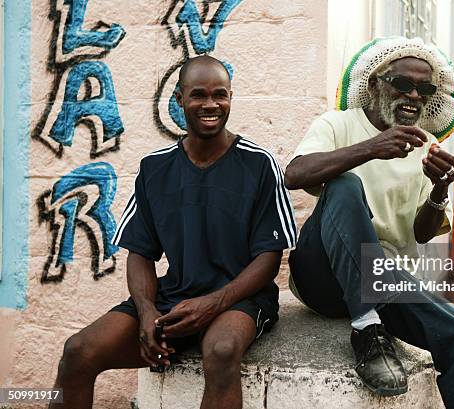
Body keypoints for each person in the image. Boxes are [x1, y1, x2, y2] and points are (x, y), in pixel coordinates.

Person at [50, 55, 297, 409]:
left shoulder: (258, 163)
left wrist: (214, 303)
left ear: (230, 97)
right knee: (78, 351)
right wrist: (147, 311)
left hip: (241, 298)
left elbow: (270, 258)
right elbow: (140, 252)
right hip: (175, 297)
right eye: (198, 95)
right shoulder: (155, 168)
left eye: (220, 95)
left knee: (222, 350)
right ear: (179, 99)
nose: (210, 104)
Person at [284, 37, 454, 409]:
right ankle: (367, 328)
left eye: (424, 88)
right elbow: (295, 173)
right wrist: (370, 148)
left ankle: (373, 312)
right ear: (374, 85)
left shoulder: (426, 143)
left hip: (385, 279)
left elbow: (421, 232)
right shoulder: (338, 124)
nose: (414, 95)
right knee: (345, 184)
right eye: (403, 84)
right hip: (323, 276)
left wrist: (439, 190)